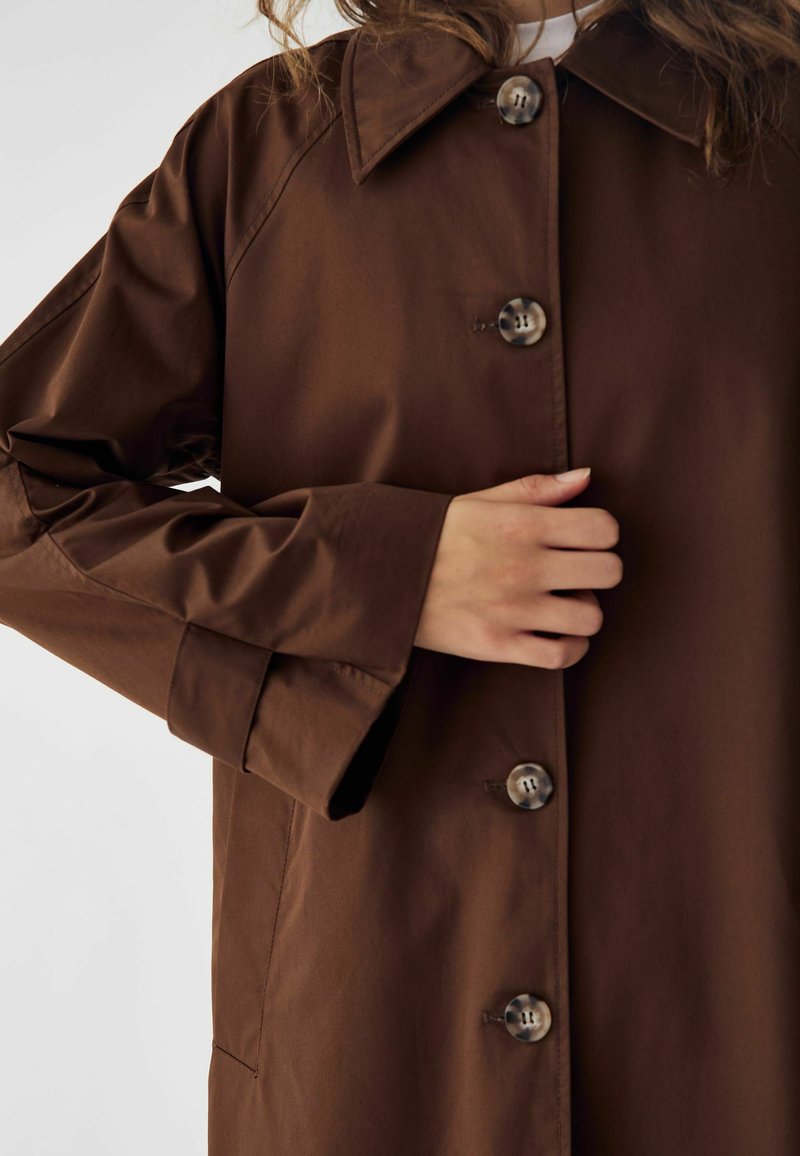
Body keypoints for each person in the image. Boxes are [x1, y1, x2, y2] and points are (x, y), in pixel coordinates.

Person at [1, 1, 798, 1153]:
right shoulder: (273, 147)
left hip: (736, 1029)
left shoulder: (778, 135)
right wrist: (382, 577)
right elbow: (19, 494)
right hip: (366, 1039)